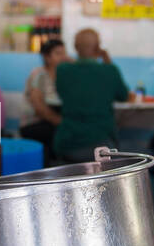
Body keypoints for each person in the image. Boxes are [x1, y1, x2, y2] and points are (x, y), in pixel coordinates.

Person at [53, 29, 130, 163]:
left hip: (68, 143)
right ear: (98, 47)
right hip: (101, 145)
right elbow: (124, 96)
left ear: (75, 47)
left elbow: (61, 92)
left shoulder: (62, 70)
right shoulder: (110, 71)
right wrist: (107, 61)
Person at [19, 38, 67, 160]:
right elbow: (40, 108)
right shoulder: (39, 75)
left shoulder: (63, 75)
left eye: (64, 53)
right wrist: (61, 123)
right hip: (33, 123)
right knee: (62, 133)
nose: (63, 57)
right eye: (58, 53)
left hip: (51, 121)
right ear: (47, 57)